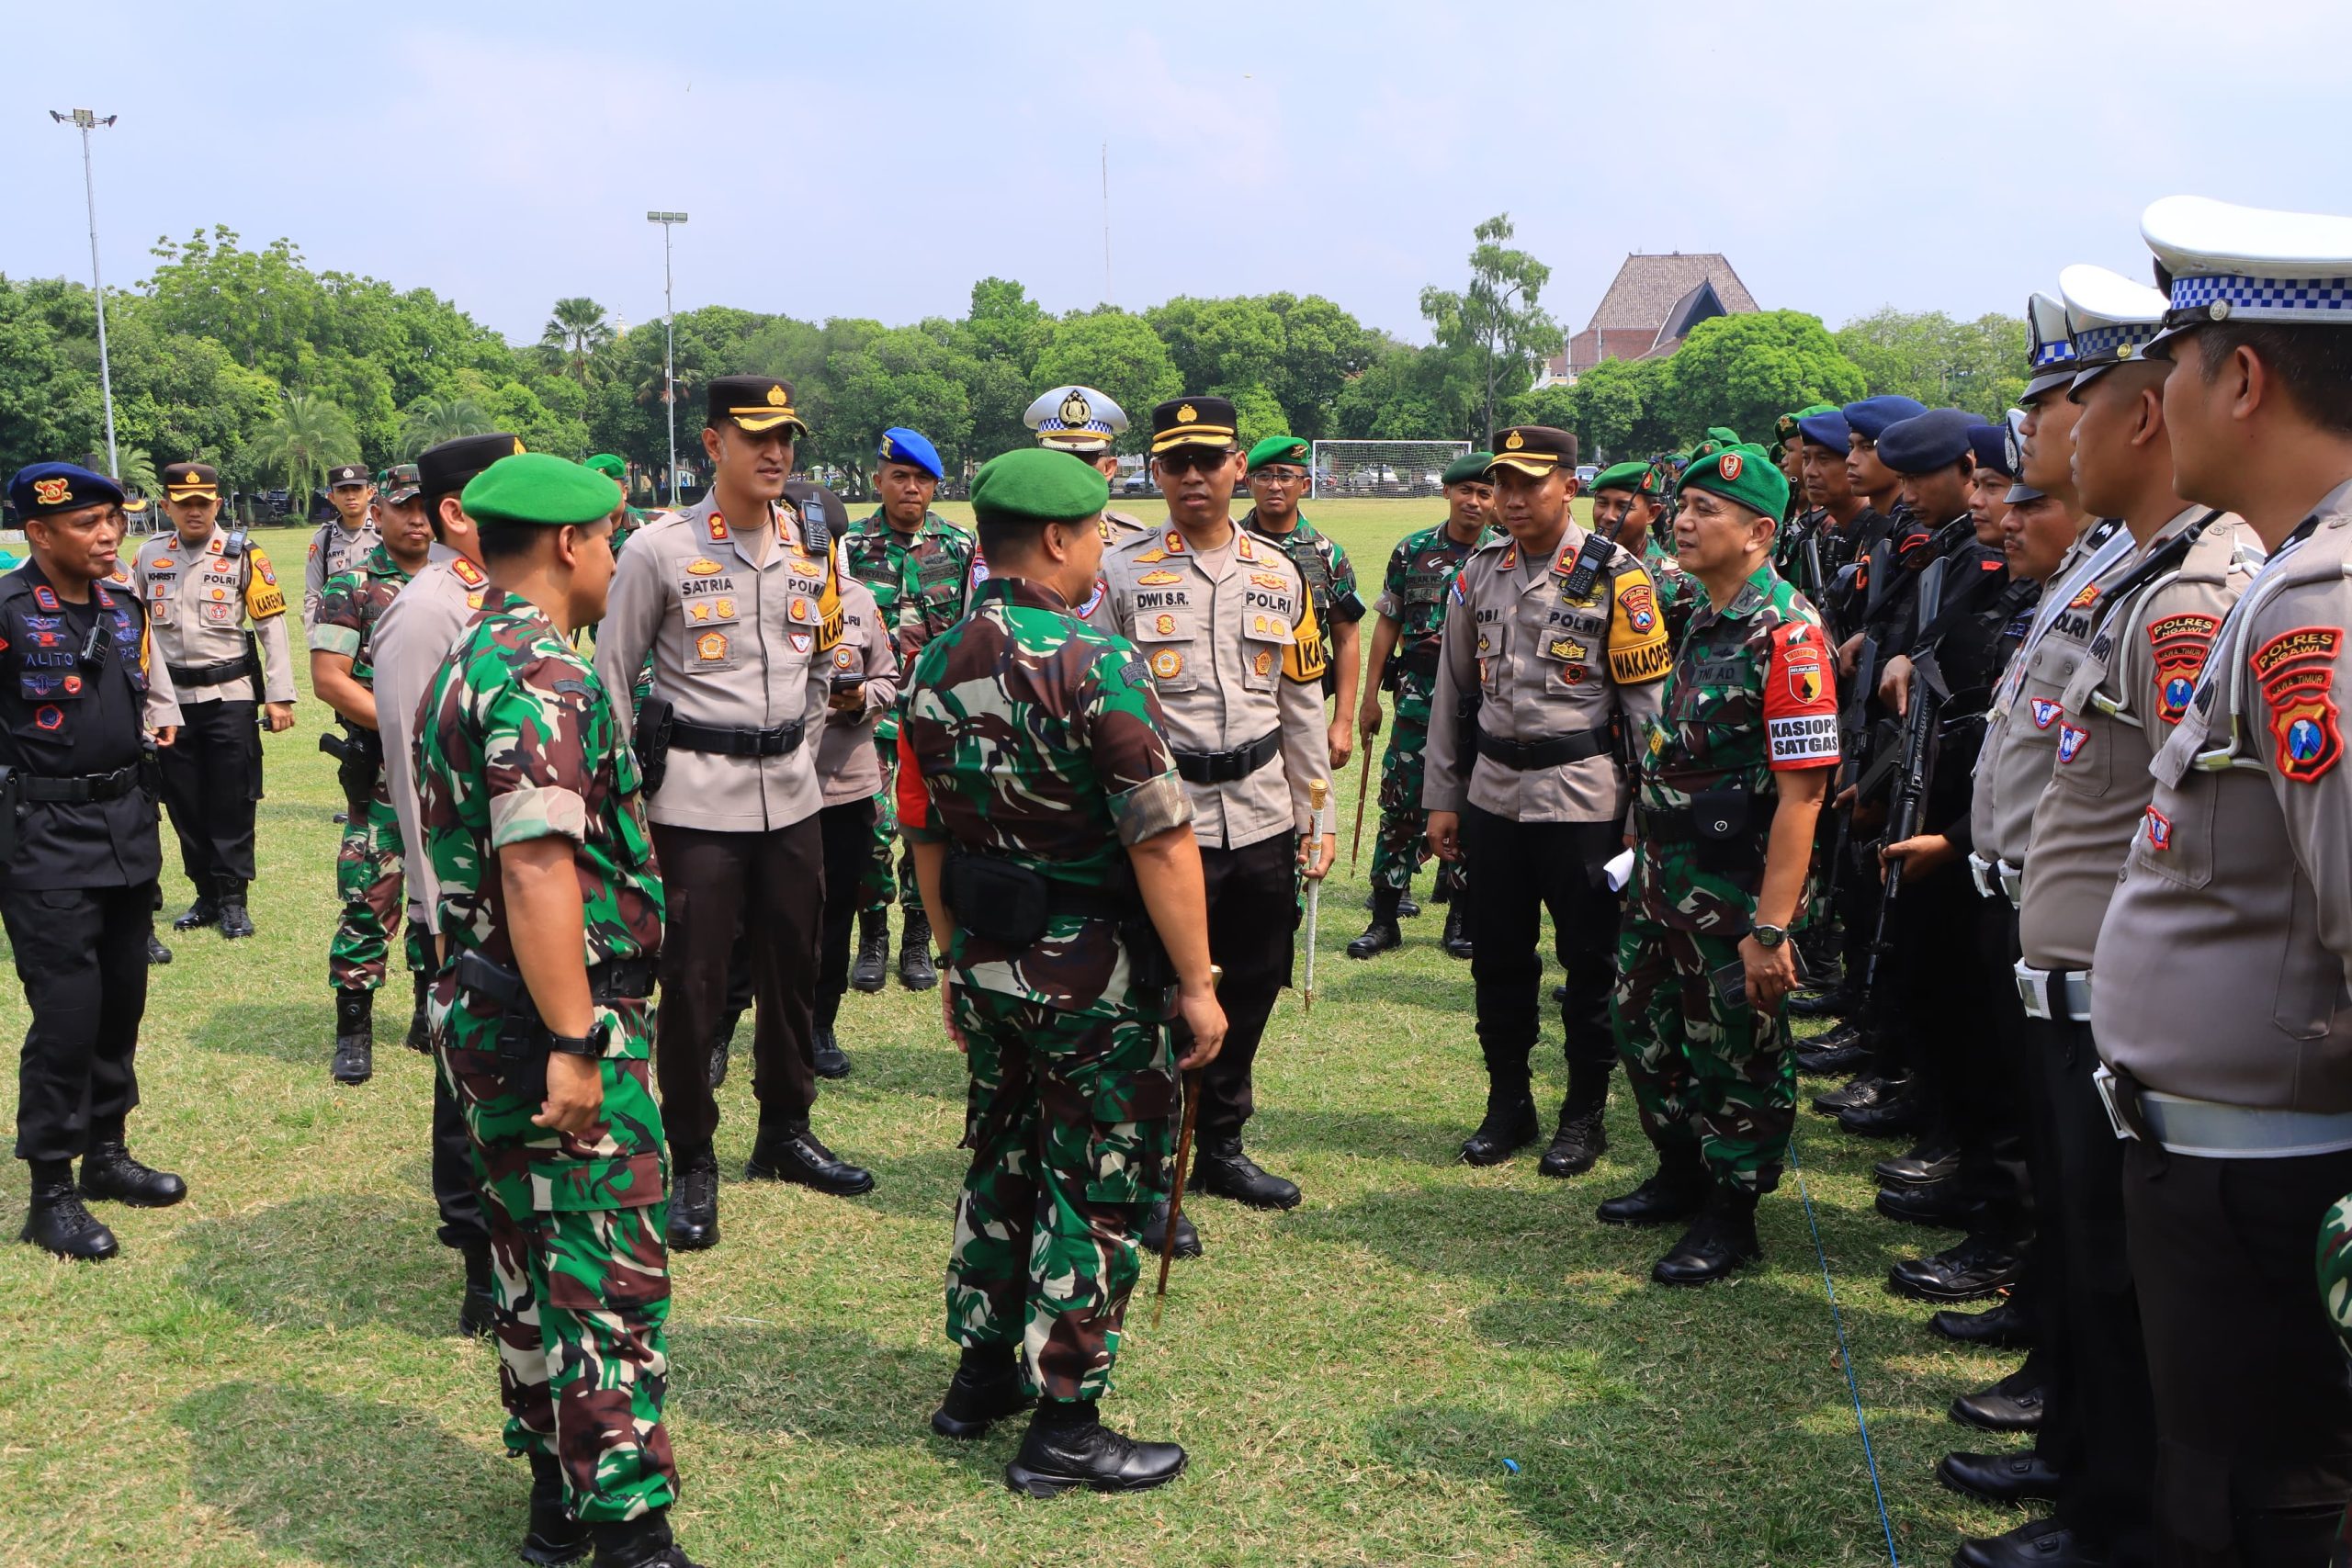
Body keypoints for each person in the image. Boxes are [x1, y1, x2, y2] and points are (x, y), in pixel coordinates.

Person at [1945, 260, 2259, 1568]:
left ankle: (2110, 1514)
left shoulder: (2191, 590)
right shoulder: (2125, 567)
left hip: (2117, 995)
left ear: (2137, 413)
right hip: (2062, 966)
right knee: (2087, 1257)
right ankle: (2079, 1463)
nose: (2038, 433)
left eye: (2060, 404)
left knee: (2124, 1280)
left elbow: (2175, 821)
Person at [2090, 195, 2352, 1565]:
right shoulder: (2293, 572)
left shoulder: (2319, 601)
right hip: (2231, 1165)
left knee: (2257, 1511)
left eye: (2174, 367)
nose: (2155, 402)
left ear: (2241, 378)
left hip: (2267, 1185)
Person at [899, 446, 1225, 1496]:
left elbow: (925, 830)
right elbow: (1160, 838)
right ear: (1054, 539)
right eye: (1092, 534)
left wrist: (955, 958)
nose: (1097, 553)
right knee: (1094, 1185)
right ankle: (1067, 1423)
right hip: (1094, 975)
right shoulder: (1095, 662)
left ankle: (980, 1372)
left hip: (990, 958)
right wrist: (1198, 982)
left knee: (1001, 1161)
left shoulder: (932, 662)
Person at [414, 451, 703, 1568]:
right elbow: (535, 868)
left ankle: (554, 1499)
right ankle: (627, 1533)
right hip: (554, 1022)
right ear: (571, 543)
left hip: (488, 1011)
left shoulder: (469, 656)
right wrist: (579, 1040)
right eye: (610, 536)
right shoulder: (542, 674)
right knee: (603, 1281)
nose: (616, 556)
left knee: (529, 1265)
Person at [594, 375, 874, 1255]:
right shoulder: (659, 548)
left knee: (794, 969)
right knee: (695, 985)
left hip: (791, 795)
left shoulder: (811, 547)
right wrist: (625, 801)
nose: (776, 453)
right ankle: (691, 1156)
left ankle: (785, 1129)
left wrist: (806, 745)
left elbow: (825, 663)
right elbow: (612, 675)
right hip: (694, 801)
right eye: (757, 437)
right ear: (713, 444)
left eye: (786, 437)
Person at [1100, 395, 1334, 1243]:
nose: (1193, 476)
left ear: (1238, 465)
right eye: (1176, 462)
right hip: (1168, 820)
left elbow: (1302, 702)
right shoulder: (1119, 572)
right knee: (1163, 992)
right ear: (1155, 472)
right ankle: (1154, 1168)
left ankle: (1222, 1144)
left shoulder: (1279, 572)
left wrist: (1317, 814)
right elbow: (1100, 703)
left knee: (1256, 977)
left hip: (1263, 809)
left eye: (1209, 460)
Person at [1600, 443, 1835, 1283]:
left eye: (1708, 510)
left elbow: (1803, 795)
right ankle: (1680, 1170)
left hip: (1736, 891)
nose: (1684, 521)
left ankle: (1732, 1210)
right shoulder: (1703, 614)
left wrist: (1771, 929)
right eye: (1684, 506)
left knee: (1736, 1047)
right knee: (1641, 1024)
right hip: (1665, 876)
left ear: (1760, 533)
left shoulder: (1789, 632)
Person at [1421, 427, 1669, 1177]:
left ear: (1569, 485)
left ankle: (1583, 1114)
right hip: (1494, 796)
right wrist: (1443, 796)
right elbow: (1451, 693)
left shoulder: (1619, 575)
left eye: (1531, 482)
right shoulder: (1478, 572)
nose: (1513, 498)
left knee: (1590, 964)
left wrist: (1646, 814)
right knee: (1497, 959)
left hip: (1584, 800)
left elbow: (1647, 710)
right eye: (1504, 483)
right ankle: (1508, 1104)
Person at [0, 464, 186, 1262]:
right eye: (88, 523)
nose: (109, 535)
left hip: (125, 828)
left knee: (120, 1003)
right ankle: (51, 1191)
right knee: (67, 1016)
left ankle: (106, 1153)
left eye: (114, 519)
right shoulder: (6, 610)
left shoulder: (120, 605)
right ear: (39, 533)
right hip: (43, 839)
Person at [368, 431, 522, 1337]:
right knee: (466, 1075)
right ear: (458, 513)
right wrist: (434, 909)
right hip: (461, 896)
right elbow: (412, 770)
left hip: (518, 881)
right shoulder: (428, 611)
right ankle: (476, 1261)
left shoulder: (498, 592)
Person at [310, 461, 447, 1086]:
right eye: (404, 507)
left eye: (426, 507)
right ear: (379, 511)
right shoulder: (354, 587)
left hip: (449, 771)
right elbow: (329, 678)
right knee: (370, 895)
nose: (417, 519)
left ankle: (427, 1013)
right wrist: (406, 728)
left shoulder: (461, 581)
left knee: (442, 894)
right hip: (385, 771)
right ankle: (354, 1030)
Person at [134, 461, 296, 942]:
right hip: (170, 702)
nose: (195, 512)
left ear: (218, 504)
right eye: (184, 504)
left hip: (229, 697)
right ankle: (204, 893)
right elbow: (135, 627)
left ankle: (232, 900)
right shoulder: (148, 556)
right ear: (166, 506)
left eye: (203, 503)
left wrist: (280, 696)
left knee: (232, 798)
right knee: (183, 800)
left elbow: (271, 628)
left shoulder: (244, 554)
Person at [842, 427, 973, 996]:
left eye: (922, 479)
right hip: (868, 717)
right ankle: (873, 934)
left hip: (935, 716)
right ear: (879, 481)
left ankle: (919, 933)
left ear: (935, 486)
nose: (911, 488)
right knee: (871, 828)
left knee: (931, 826)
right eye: (900, 476)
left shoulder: (960, 547)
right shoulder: (848, 546)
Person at [1350, 450, 1491, 961]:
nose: (1474, 502)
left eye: (1485, 493)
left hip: (1479, 709)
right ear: (1447, 492)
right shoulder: (1413, 551)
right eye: (1465, 491)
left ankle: (1461, 919)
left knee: (1472, 811)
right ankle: (1384, 920)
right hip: (1416, 704)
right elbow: (1387, 622)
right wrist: (1369, 697)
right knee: (1400, 807)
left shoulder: (1504, 554)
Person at [809, 570, 898, 1081]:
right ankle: (725, 1027)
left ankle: (820, 1026)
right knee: (747, 913)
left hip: (842, 784)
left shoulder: (856, 598)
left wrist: (860, 697)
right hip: (761, 783)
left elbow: (888, 678)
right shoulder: (751, 589)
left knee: (835, 912)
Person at [1242, 434, 1366, 772]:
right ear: (1248, 482)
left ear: (1305, 484)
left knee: (1310, 797)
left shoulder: (1328, 554)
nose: (1275, 485)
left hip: (1304, 704)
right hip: (1240, 707)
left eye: (1286, 476)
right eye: (1264, 476)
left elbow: (1346, 638)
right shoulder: (1227, 547)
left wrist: (1342, 722)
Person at [1024, 383, 1152, 538]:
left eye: (1085, 458)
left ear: (1109, 468)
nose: (1071, 469)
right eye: (1058, 458)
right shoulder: (1012, 542)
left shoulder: (1132, 541)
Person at [302, 461, 381, 631]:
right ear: (332, 498)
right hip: (339, 632)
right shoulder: (324, 539)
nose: (350, 496)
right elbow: (313, 596)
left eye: (357, 489)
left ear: (370, 493)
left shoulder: (385, 533)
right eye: (343, 491)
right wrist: (315, 638)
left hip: (380, 629)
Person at [585, 454, 649, 553]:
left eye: (607, 491)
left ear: (624, 492)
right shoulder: (573, 535)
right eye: (592, 492)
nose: (600, 499)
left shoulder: (651, 528)